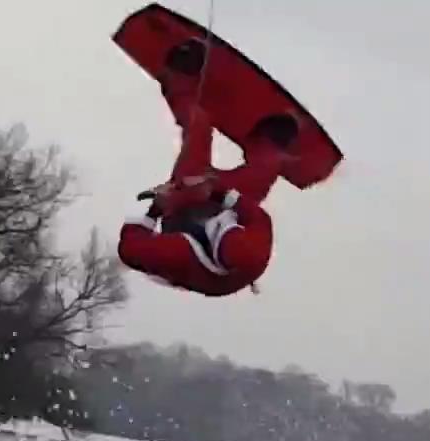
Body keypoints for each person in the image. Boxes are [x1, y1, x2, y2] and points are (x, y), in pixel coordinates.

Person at [117, 40, 300, 298]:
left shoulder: (178, 252)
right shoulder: (254, 250)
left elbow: (130, 251)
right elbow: (259, 218)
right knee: (262, 173)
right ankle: (271, 142)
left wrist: (156, 208)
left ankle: (179, 81)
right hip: (221, 207)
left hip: (182, 211)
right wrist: (219, 194)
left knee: (199, 128)